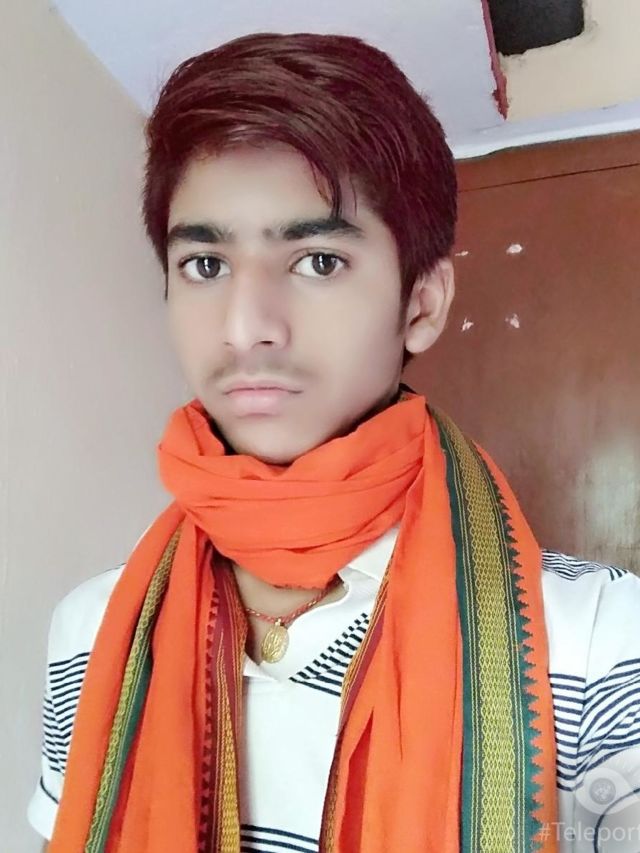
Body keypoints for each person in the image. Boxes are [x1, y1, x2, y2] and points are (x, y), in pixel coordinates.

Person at [28, 31, 640, 853]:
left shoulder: (598, 645)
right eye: (206, 264)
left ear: (422, 305)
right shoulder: (94, 631)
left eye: (317, 260)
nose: (246, 327)